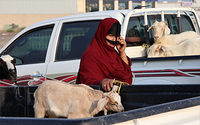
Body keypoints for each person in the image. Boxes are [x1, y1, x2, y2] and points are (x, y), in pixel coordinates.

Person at [76, 18, 133, 91]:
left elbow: (126, 75)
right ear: (102, 34)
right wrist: (102, 82)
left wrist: (122, 53)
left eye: (117, 36)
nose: (114, 40)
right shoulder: (91, 55)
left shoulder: (113, 53)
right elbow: (85, 83)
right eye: (110, 35)